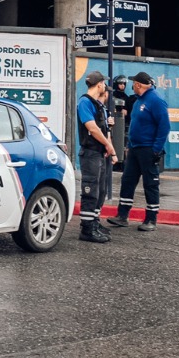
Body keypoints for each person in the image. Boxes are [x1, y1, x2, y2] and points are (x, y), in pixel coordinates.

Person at [107, 71, 169, 231]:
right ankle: (122, 215)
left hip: (148, 149)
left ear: (138, 85)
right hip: (134, 149)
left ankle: (151, 219)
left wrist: (156, 149)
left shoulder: (156, 100)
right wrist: (129, 147)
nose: (132, 85)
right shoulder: (138, 101)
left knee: (150, 183)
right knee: (127, 181)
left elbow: (164, 127)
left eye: (134, 83)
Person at [76, 72, 117, 243]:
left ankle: (93, 222)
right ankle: (87, 229)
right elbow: (92, 128)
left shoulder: (97, 105)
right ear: (99, 85)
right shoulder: (84, 102)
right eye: (103, 84)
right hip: (91, 153)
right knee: (90, 191)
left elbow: (103, 129)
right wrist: (108, 146)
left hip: (99, 153)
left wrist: (109, 148)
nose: (105, 87)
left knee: (100, 191)